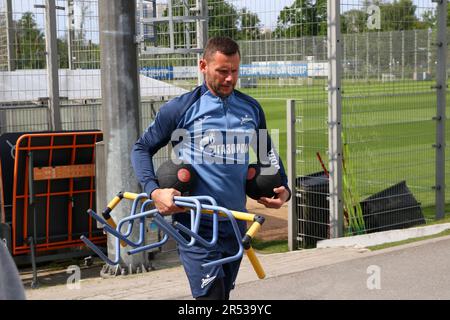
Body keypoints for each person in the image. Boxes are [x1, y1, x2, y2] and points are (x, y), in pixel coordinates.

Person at [131, 36, 291, 300]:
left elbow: (267, 153)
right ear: (203, 65)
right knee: (211, 298)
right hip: (196, 224)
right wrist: (153, 191)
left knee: (222, 295)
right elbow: (142, 148)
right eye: (222, 71)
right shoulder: (181, 108)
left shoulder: (250, 108)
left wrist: (283, 188)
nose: (230, 79)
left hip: (236, 222)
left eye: (235, 71)